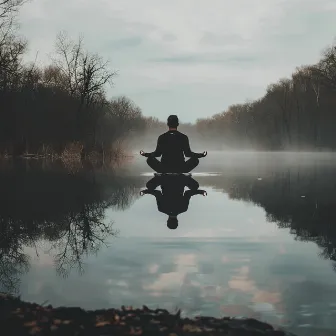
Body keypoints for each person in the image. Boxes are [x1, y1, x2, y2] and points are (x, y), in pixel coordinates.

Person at [140, 115, 207, 173]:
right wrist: (201, 155)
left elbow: (157, 154)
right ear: (177, 124)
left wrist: (145, 154)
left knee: (149, 159)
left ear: (168, 124)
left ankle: (162, 173)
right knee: (195, 159)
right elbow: (188, 154)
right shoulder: (183, 137)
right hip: (180, 168)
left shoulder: (162, 137)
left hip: (164, 168)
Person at [140, 174, 207, 229]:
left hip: (180, 179)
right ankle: (158, 177)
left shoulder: (183, 209)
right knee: (149, 186)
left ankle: (186, 177)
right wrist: (145, 191)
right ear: (167, 220)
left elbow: (188, 193)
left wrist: (200, 192)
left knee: (195, 186)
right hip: (164, 179)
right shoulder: (161, 209)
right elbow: (157, 193)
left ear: (177, 221)